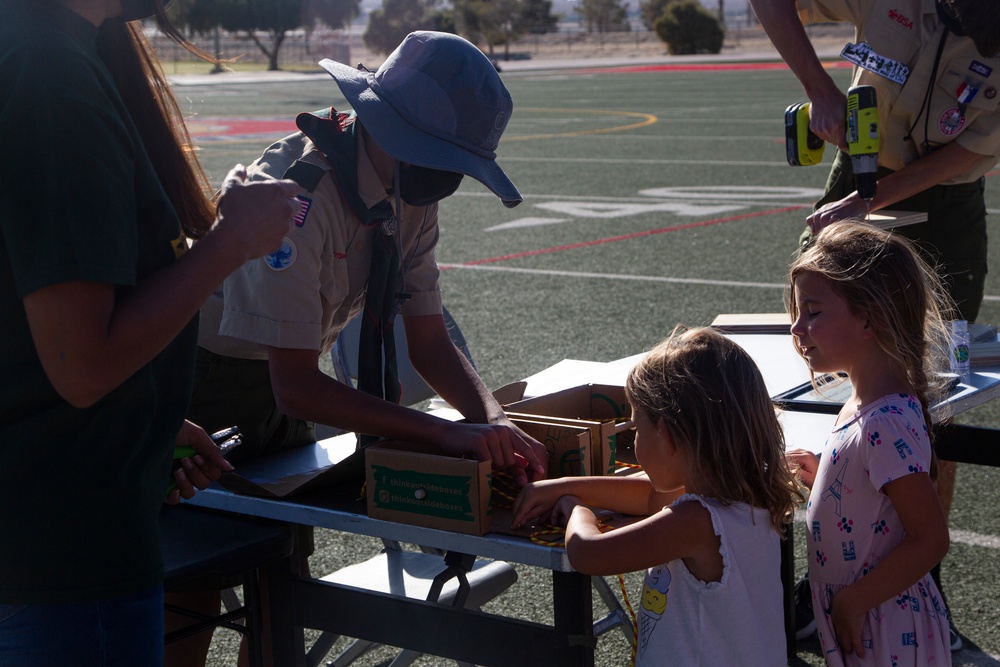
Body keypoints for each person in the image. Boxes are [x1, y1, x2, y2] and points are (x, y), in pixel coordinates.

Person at [165, 31, 549, 666]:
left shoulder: (411, 193)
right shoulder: (298, 195)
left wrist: (491, 419)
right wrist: (441, 433)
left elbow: (428, 339)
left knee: (276, 590)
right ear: (385, 126)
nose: (448, 177)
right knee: (194, 594)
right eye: (441, 157)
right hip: (206, 386)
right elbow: (297, 385)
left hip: (282, 393)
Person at [0, 0, 301, 664]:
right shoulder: (51, 76)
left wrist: (149, 425)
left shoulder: (42, 50)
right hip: (65, 563)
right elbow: (81, 365)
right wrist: (230, 242)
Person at [748, 0, 999, 647]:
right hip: (860, 162)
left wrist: (873, 199)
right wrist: (819, 89)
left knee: (937, 392)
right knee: (830, 355)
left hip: (944, 196)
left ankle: (915, 580)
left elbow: (960, 157)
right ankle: (824, 581)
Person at [512, 327, 803, 667]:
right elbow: (650, 497)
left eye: (636, 429)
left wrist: (576, 509)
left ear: (666, 435)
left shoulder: (697, 521)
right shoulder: (745, 493)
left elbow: (588, 553)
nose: (634, 443)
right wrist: (561, 486)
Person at [785, 222, 954, 665]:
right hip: (871, 617)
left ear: (868, 318)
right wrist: (826, 475)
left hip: (883, 621)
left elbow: (930, 538)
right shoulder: (864, 403)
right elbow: (878, 500)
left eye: (814, 312)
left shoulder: (886, 420)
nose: (797, 328)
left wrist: (854, 601)